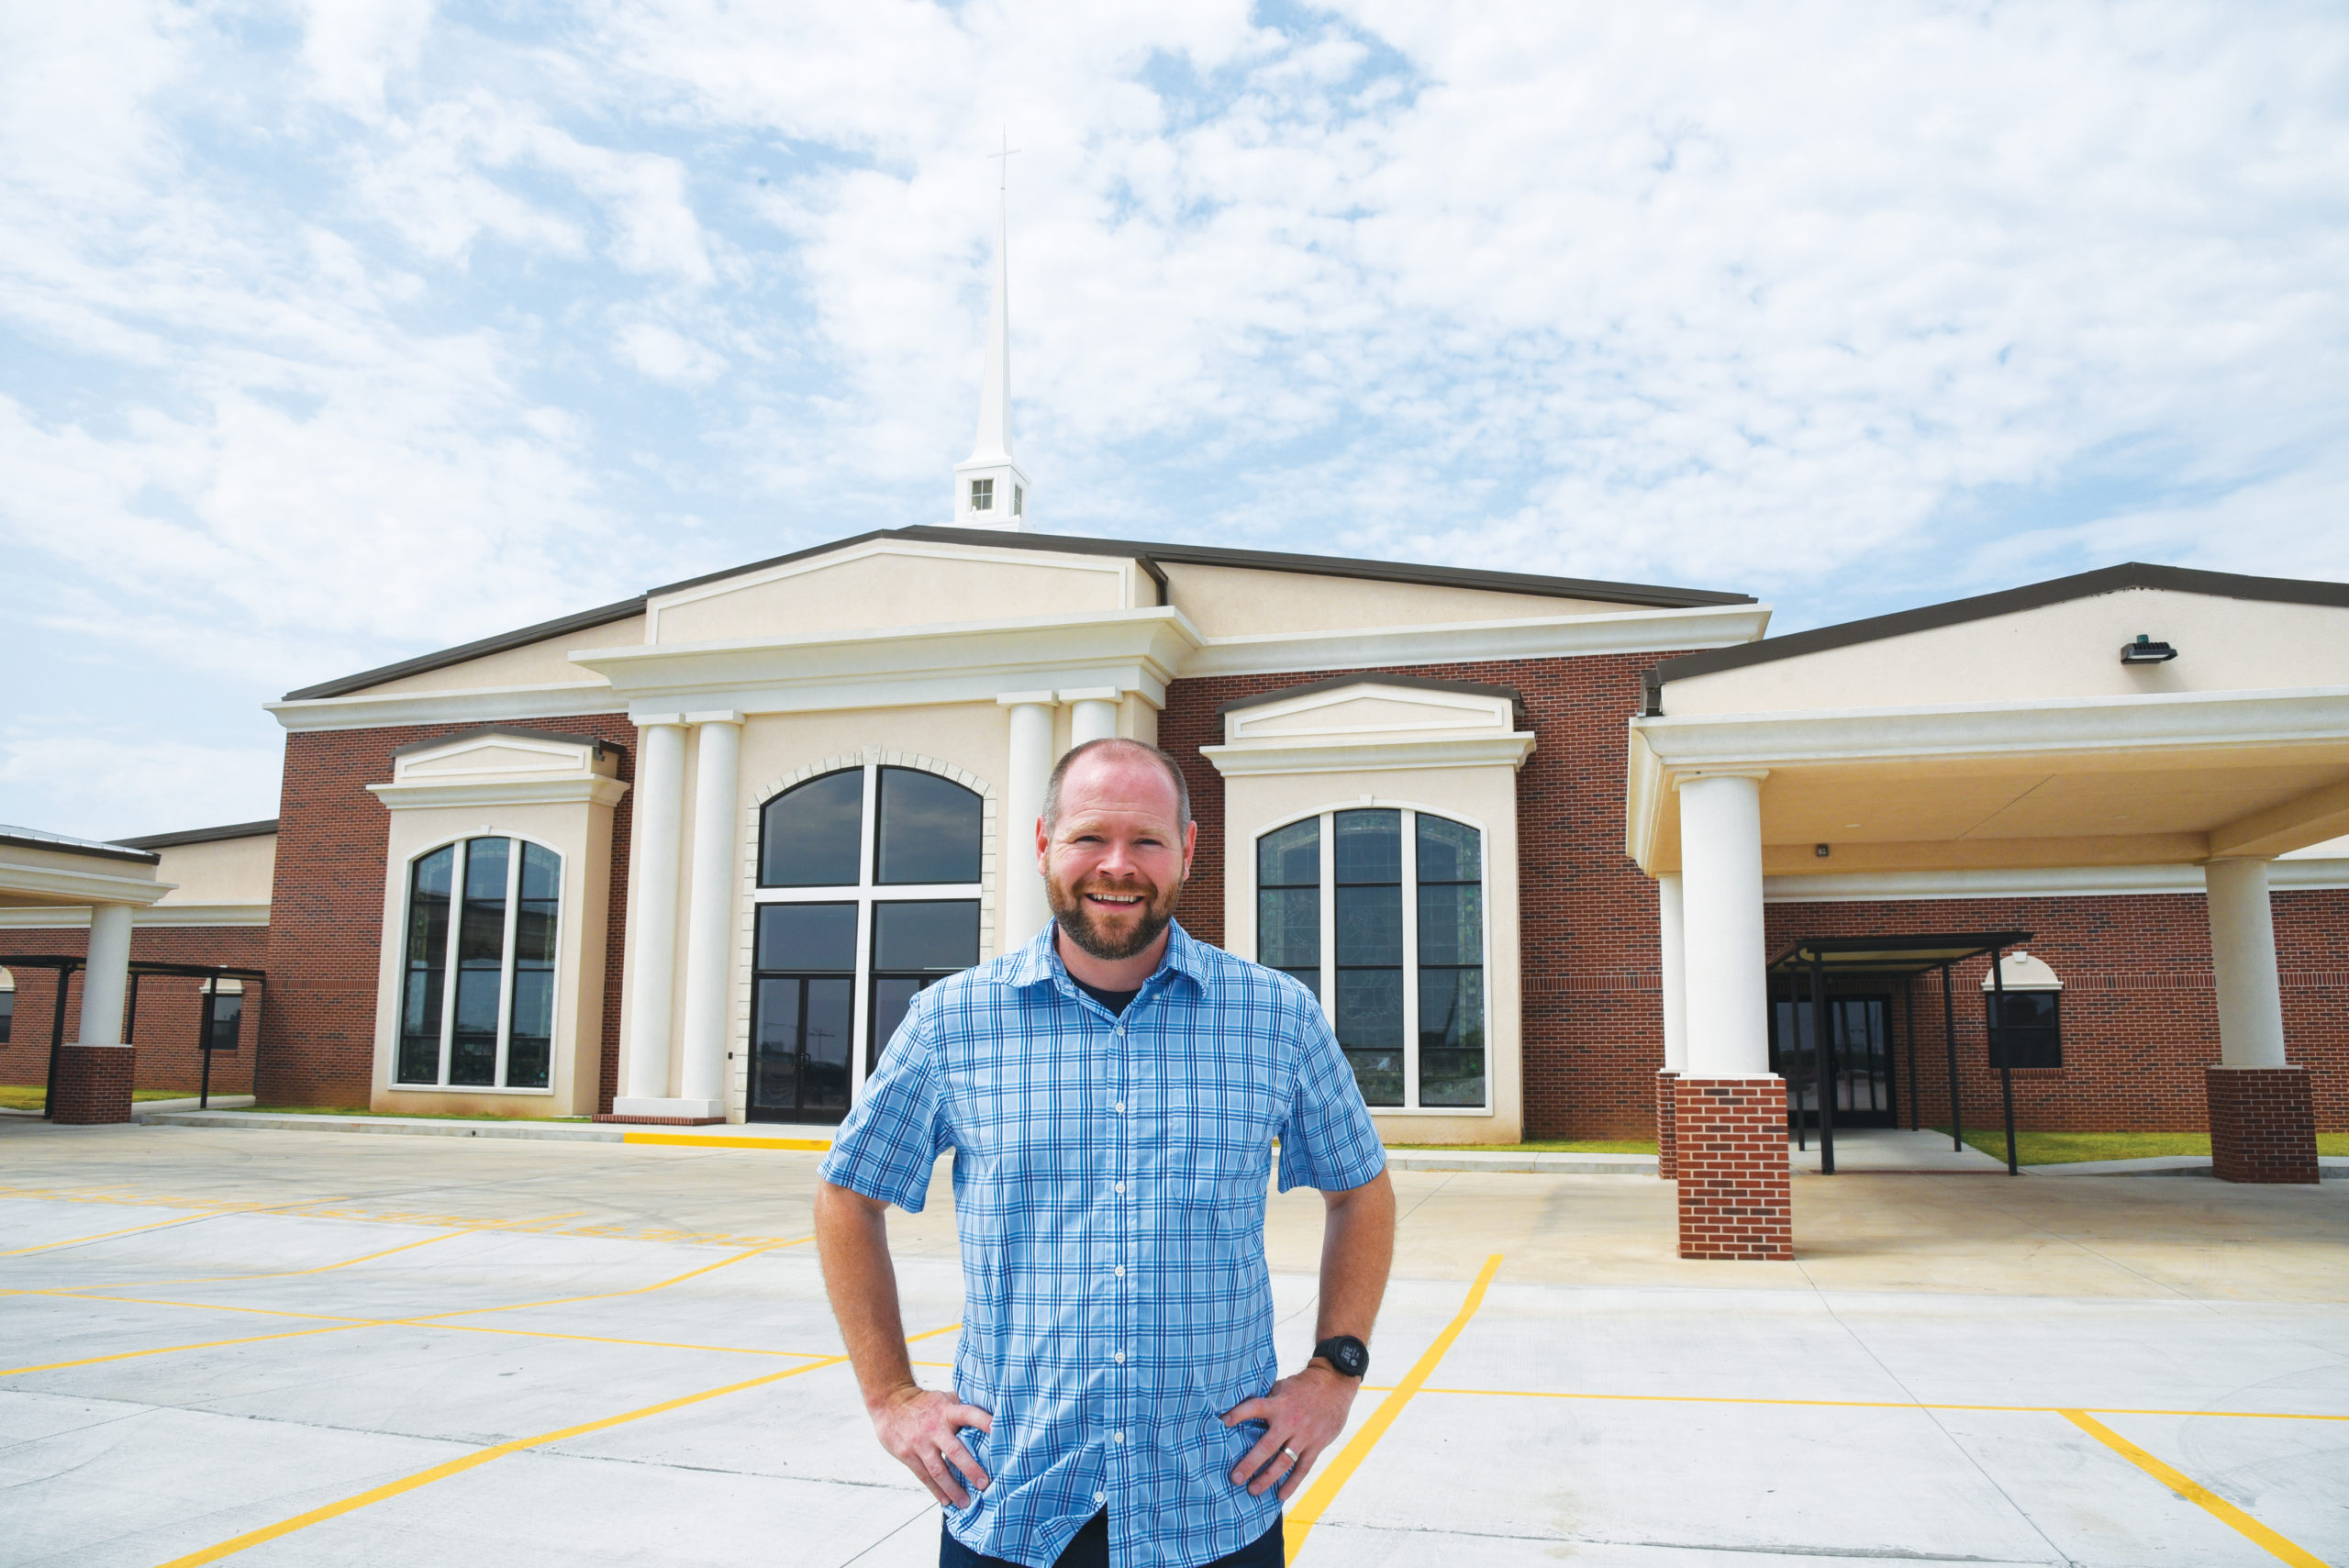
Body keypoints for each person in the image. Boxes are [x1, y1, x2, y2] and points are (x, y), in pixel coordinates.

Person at [814, 736, 1397, 1568]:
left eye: (1147, 840)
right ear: (1045, 842)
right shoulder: (952, 1022)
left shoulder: (1277, 1017)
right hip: (1010, 1502)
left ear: (1187, 850)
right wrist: (891, 1396)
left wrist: (1335, 1371)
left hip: (1211, 1504)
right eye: (1090, 836)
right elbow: (847, 1194)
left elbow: (1361, 1190)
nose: (1117, 865)